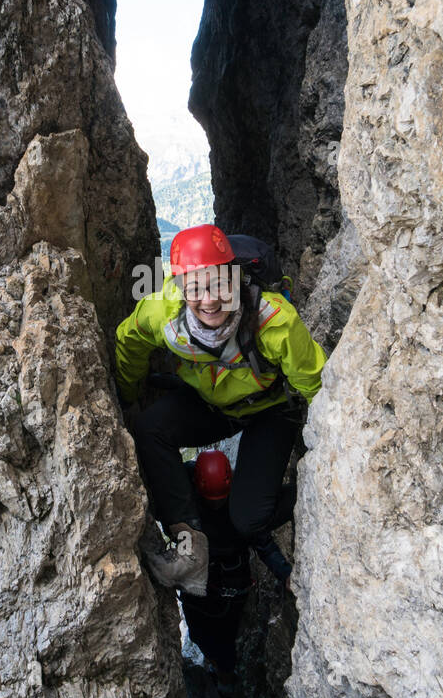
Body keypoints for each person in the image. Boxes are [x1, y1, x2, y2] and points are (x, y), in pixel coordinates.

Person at [115, 223, 326, 593]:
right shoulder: (164, 314)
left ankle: (315, 490)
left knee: (247, 520)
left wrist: (334, 455)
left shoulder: (274, 321)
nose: (209, 300)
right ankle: (188, 548)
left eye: (218, 284)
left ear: (236, 279)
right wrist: (128, 397)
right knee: (149, 428)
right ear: (181, 287)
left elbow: (319, 388)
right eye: (195, 287)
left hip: (270, 410)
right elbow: (129, 340)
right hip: (212, 405)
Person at [175, 449, 296, 698]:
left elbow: (263, 542)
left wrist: (285, 573)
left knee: (224, 640)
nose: (216, 503)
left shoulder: (240, 502)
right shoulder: (187, 488)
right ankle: (217, 668)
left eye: (220, 498)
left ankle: (225, 681)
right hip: (201, 588)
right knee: (201, 634)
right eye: (213, 499)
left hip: (227, 589)